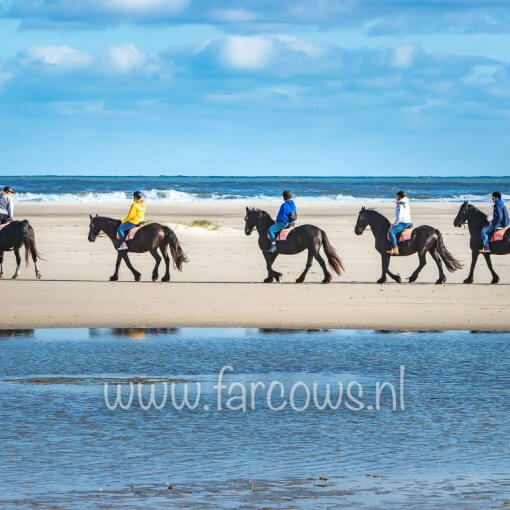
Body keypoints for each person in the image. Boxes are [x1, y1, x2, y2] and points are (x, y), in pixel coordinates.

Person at [387, 191, 412, 256]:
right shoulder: (405, 202)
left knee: (391, 232)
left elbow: (399, 217)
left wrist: (394, 224)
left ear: (400, 196)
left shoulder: (401, 204)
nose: (396, 197)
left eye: (397, 196)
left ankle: (395, 248)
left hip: (404, 223)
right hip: (407, 221)